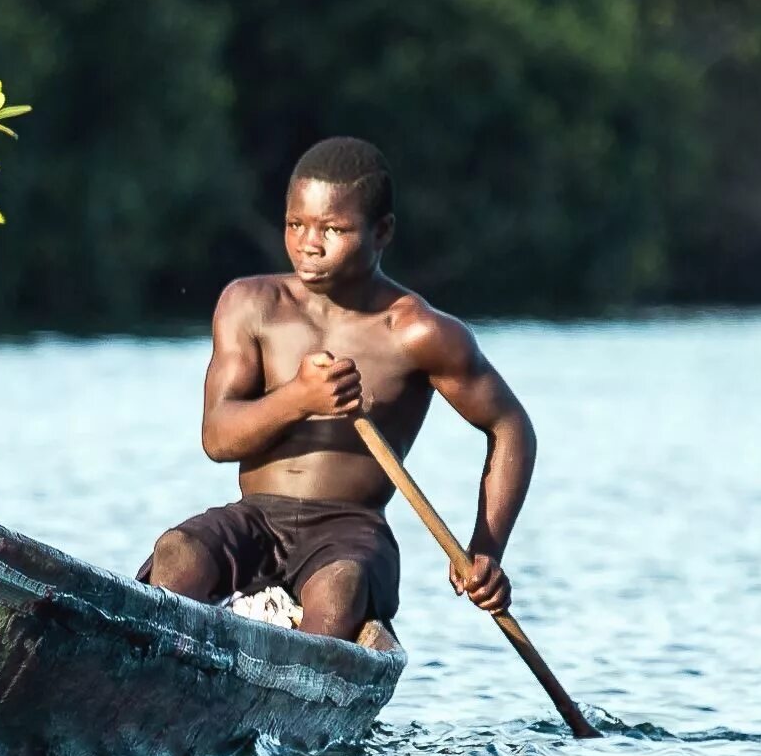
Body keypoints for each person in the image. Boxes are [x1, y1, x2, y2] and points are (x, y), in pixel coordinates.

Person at [139, 137, 537, 641]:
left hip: (351, 531)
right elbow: (217, 439)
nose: (310, 243)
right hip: (255, 518)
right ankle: (153, 669)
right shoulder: (249, 304)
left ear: (382, 232)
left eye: (333, 229)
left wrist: (486, 548)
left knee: (340, 588)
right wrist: (299, 399)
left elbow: (510, 427)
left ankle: (297, 686)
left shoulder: (418, 332)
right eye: (295, 225)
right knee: (177, 551)